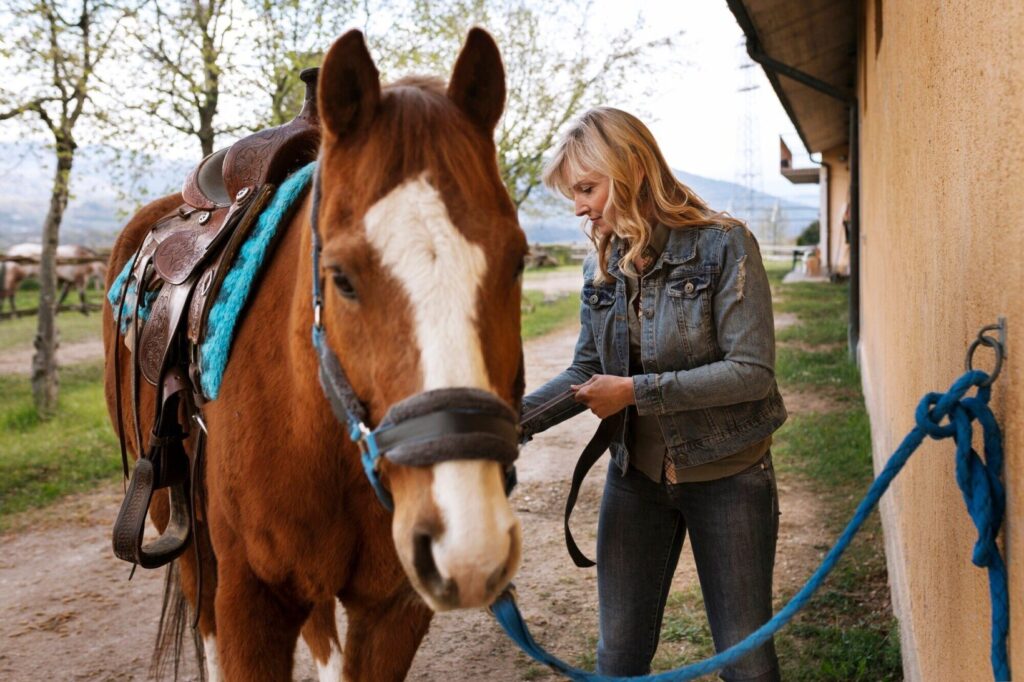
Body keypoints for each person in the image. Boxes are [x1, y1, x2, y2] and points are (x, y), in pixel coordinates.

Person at [521, 107, 787, 681]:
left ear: (632, 169)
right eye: (574, 194)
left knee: (747, 663)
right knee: (617, 659)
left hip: (729, 477)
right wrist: (509, 424)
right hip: (633, 479)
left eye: (587, 188)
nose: (579, 207)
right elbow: (585, 372)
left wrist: (636, 392)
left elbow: (751, 372)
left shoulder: (725, 246)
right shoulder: (607, 261)